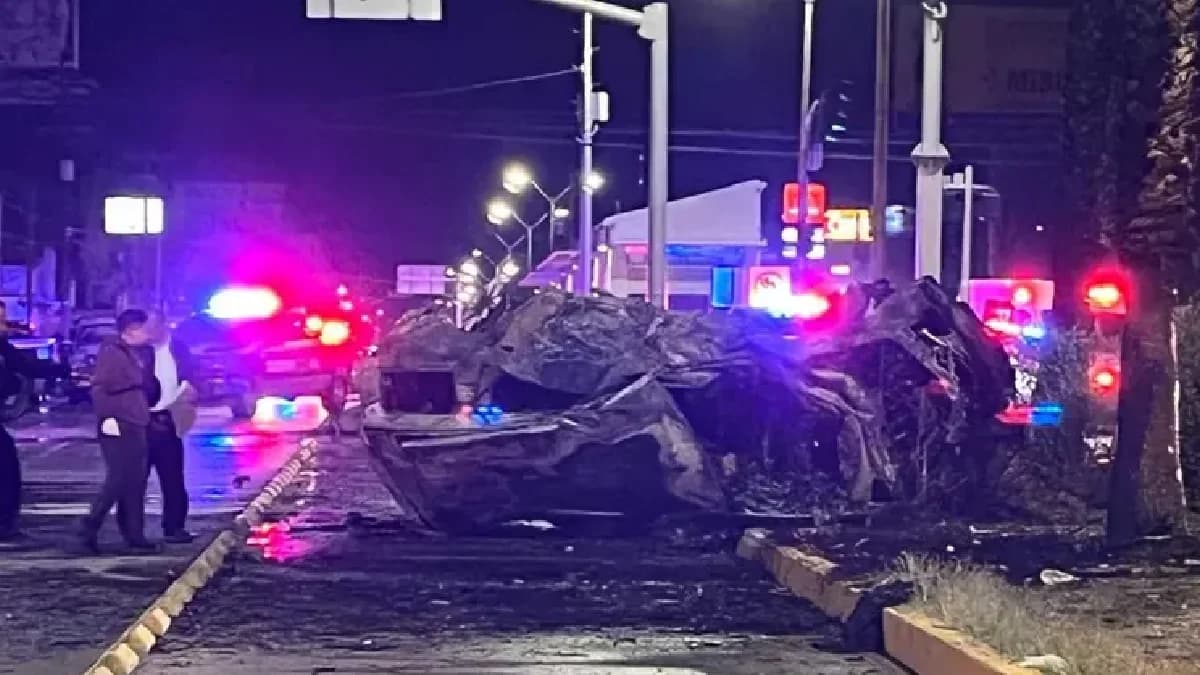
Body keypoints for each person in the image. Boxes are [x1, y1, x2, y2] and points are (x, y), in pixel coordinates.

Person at [78, 309, 161, 554]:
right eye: (145, 328)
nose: (149, 333)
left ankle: (134, 534)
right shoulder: (113, 353)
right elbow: (102, 388)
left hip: (136, 421)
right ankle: (88, 528)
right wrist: (108, 418)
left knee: (135, 481)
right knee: (119, 479)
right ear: (131, 330)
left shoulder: (139, 353)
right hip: (119, 423)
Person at [0, 301, 66, 542]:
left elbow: (26, 366)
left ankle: (6, 523)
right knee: (5, 468)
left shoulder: (2, 345)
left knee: (7, 468)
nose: (5, 327)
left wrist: (64, 370)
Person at [144, 310, 197, 543]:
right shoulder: (139, 352)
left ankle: (175, 527)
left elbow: (192, 375)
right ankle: (132, 531)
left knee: (173, 478)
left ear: (163, 325)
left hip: (169, 420)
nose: (148, 332)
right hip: (141, 421)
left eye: (152, 326)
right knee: (134, 479)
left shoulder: (179, 349)